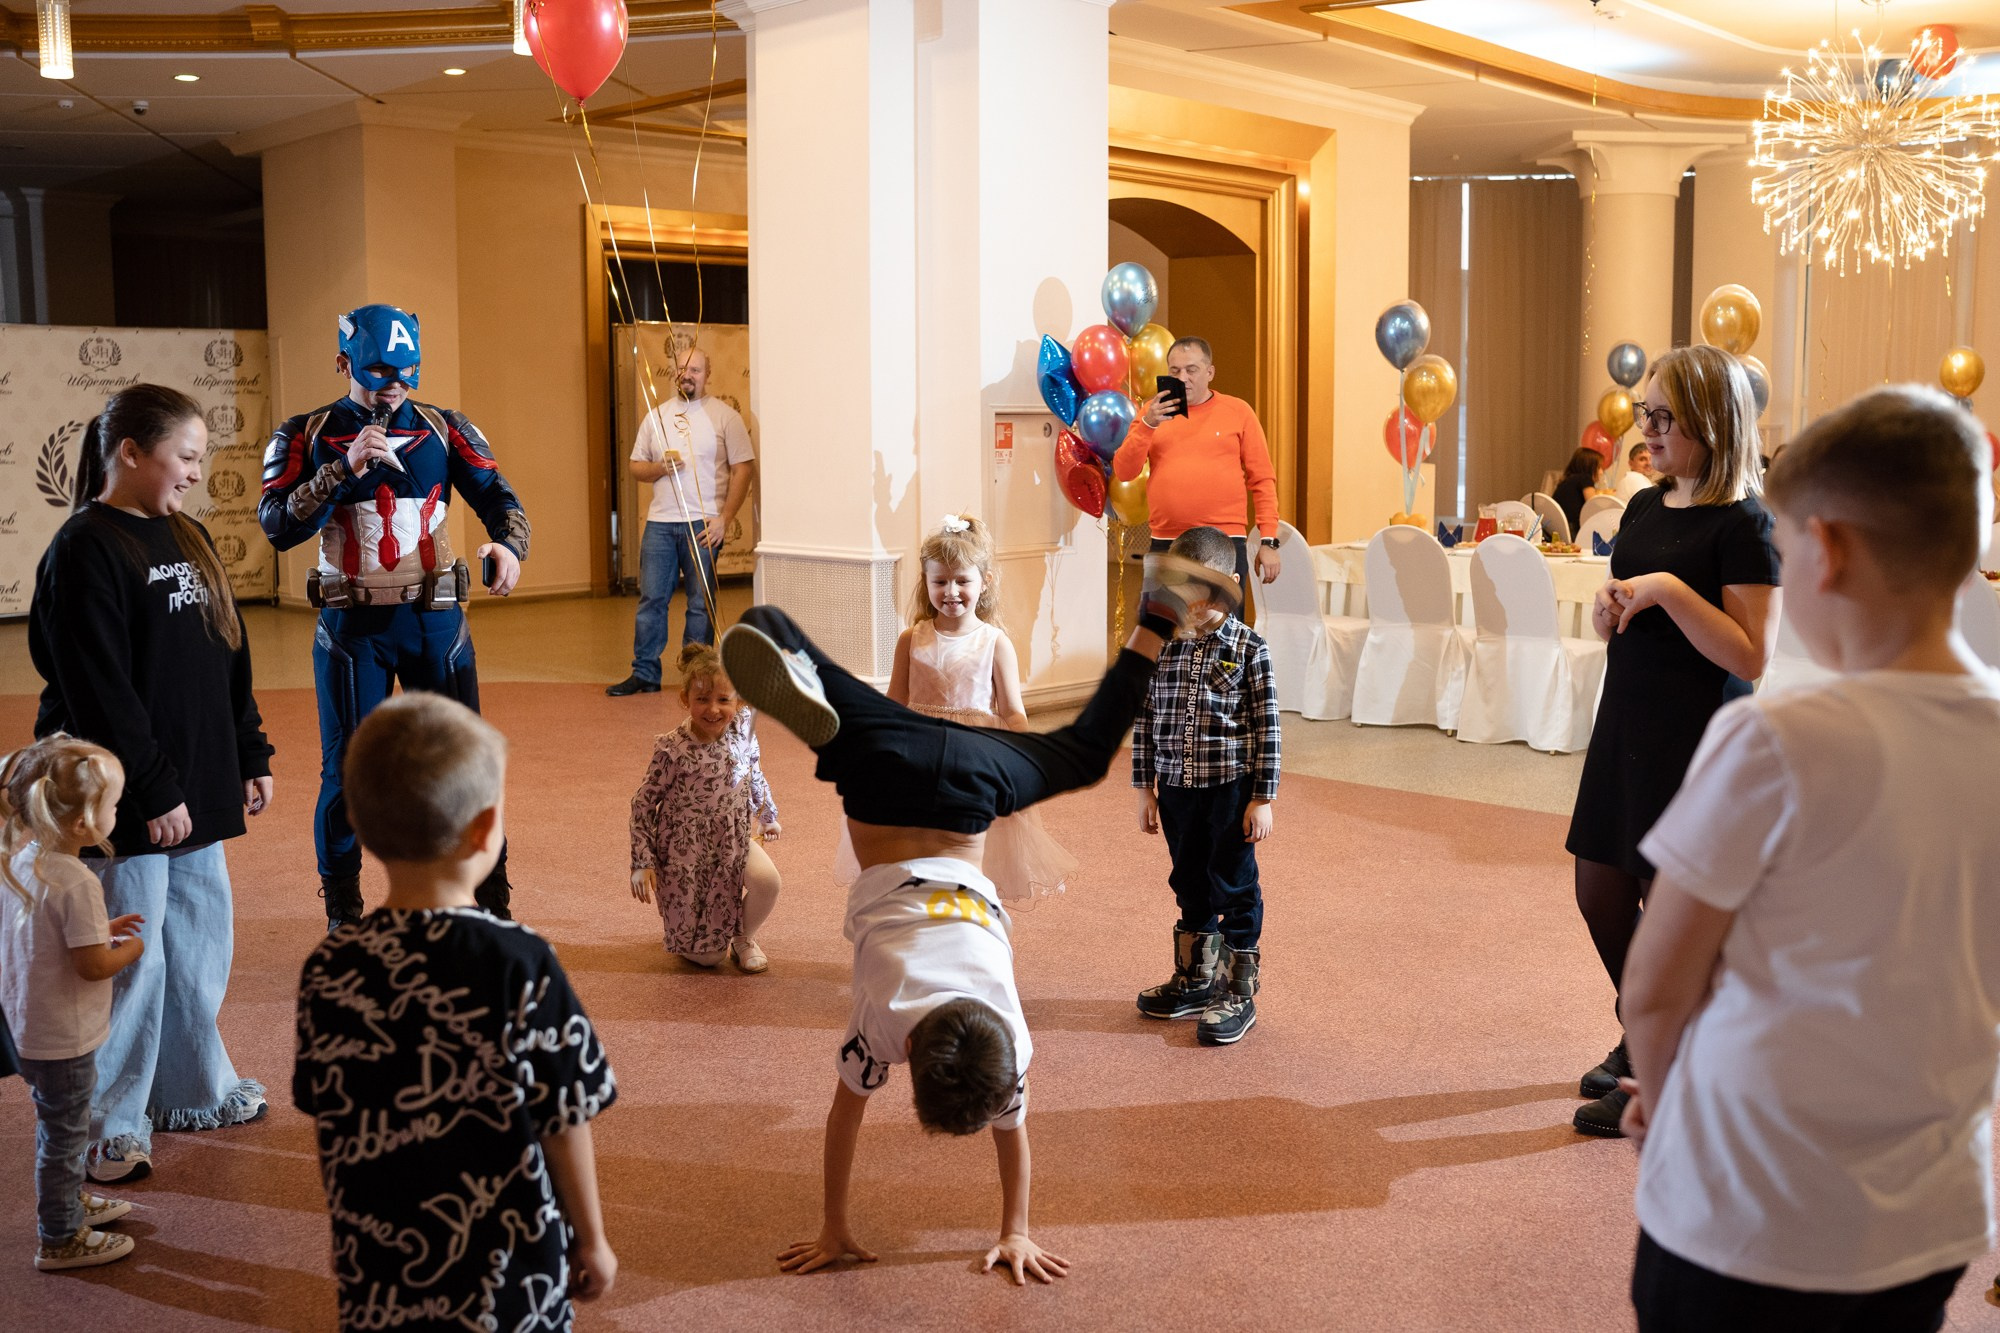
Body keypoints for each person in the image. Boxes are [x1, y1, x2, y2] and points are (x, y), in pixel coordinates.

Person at [723, 554, 1236, 1285]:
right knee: (769, 630)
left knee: (1086, 754)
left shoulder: (1008, 1034)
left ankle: (1156, 615)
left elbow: (1011, 1126)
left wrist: (1018, 1224)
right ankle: (791, 657)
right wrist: (834, 1225)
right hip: (881, 765)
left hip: (977, 770)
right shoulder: (885, 1022)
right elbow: (845, 1117)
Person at [1615, 386, 1999, 1331]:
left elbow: (1655, 991)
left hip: (1748, 1207)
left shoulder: (1776, 739)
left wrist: (1666, 1108)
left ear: (1825, 551)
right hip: (1925, 1213)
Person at [294, 693, 618, 1329]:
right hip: (508, 1274)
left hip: (382, 1267)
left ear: (355, 820)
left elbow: (329, 1114)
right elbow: (564, 1115)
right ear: (483, 828)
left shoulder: (329, 967)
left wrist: (350, 1230)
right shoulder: (520, 960)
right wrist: (592, 1237)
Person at [31, 384, 275, 1186]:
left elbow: (227, 655)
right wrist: (154, 790)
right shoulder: (84, 548)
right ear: (130, 452)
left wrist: (249, 751)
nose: (197, 475)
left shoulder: (190, 534)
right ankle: (111, 1124)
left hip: (194, 790)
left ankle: (190, 1090)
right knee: (129, 961)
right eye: (187, 456)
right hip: (128, 800)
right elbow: (99, 689)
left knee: (199, 949)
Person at [1565, 344, 1780, 1137]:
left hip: (1697, 738)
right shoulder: (1646, 509)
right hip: (1629, 719)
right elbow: (1637, 608)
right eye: (1643, 415)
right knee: (1600, 894)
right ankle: (1651, 1031)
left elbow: (1751, 653)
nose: (1646, 431)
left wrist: (1664, 590)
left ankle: (1661, 1053)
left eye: (1662, 417)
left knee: (1668, 907)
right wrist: (1611, 610)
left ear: (1711, 423)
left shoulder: (1745, 521)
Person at [259, 303, 531, 930]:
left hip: (436, 626)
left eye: (406, 372)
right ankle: (344, 915)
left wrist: (509, 547)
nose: (393, 386)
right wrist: (342, 468)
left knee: (466, 769)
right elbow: (276, 527)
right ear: (343, 362)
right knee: (349, 774)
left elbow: (500, 499)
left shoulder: (444, 426)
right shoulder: (304, 433)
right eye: (378, 371)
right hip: (355, 634)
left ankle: (490, 907)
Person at [833, 514, 1077, 901]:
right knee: (919, 839)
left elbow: (1013, 711)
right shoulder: (911, 639)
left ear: (984, 583)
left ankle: (967, 915)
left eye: (962, 580)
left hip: (973, 756)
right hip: (918, 754)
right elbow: (895, 702)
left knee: (969, 843)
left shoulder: (995, 642)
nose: (951, 591)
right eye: (940, 581)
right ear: (926, 582)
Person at [0, 736, 147, 1271]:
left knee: (59, 1125)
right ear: (85, 823)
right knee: (64, 1136)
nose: (116, 813)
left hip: (27, 1028)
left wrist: (97, 930)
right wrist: (130, 950)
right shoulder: (76, 881)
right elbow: (91, 966)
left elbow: (46, 934)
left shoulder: (22, 861)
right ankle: (59, 1235)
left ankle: (66, 1202)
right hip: (64, 1036)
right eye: (112, 805)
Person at [1132, 526, 1281, 1047]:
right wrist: (1144, 788)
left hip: (1230, 791)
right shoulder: (1163, 644)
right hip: (1176, 789)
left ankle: (1238, 990)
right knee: (1188, 880)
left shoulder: (1249, 648)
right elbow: (1146, 717)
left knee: (1234, 884)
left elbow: (1268, 728)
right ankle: (1196, 978)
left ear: (1232, 585)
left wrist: (1263, 798)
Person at [607, 347, 756, 696]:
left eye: (696, 369)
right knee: (651, 602)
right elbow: (635, 465)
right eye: (682, 368)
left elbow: (743, 468)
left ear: (708, 374)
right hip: (660, 523)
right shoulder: (656, 417)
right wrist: (660, 468)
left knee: (700, 604)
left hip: (703, 525)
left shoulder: (725, 417)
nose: (688, 374)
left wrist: (725, 518)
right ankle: (645, 673)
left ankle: (697, 677)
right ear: (674, 372)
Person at [629, 644, 784, 970]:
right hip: (687, 854)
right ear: (686, 699)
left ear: (738, 700)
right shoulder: (672, 747)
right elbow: (643, 803)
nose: (713, 709)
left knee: (768, 882)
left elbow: (754, 772)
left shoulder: (743, 729)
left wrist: (767, 815)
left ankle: (743, 937)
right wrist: (642, 861)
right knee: (709, 958)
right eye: (702, 699)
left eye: (724, 700)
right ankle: (705, 933)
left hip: (733, 837)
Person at [1114, 336, 1282, 594]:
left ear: (1210, 372)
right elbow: (1124, 471)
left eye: (1191, 370)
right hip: (1166, 543)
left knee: (1219, 632)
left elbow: (1262, 479)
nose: (1182, 378)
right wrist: (1148, 425)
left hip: (1223, 543)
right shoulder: (1152, 413)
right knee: (1165, 630)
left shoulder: (1238, 411)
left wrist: (1268, 541)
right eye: (1175, 371)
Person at [1553, 447, 1608, 536]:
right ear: (1589, 467)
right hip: (1574, 530)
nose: (1601, 472)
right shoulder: (1585, 478)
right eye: (1599, 467)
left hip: (1559, 529)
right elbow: (1593, 505)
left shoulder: (1567, 480)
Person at [1614, 439, 1657, 504]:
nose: (1649, 463)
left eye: (1651, 458)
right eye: (1642, 459)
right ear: (1631, 463)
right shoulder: (1635, 478)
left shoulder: (1631, 478)